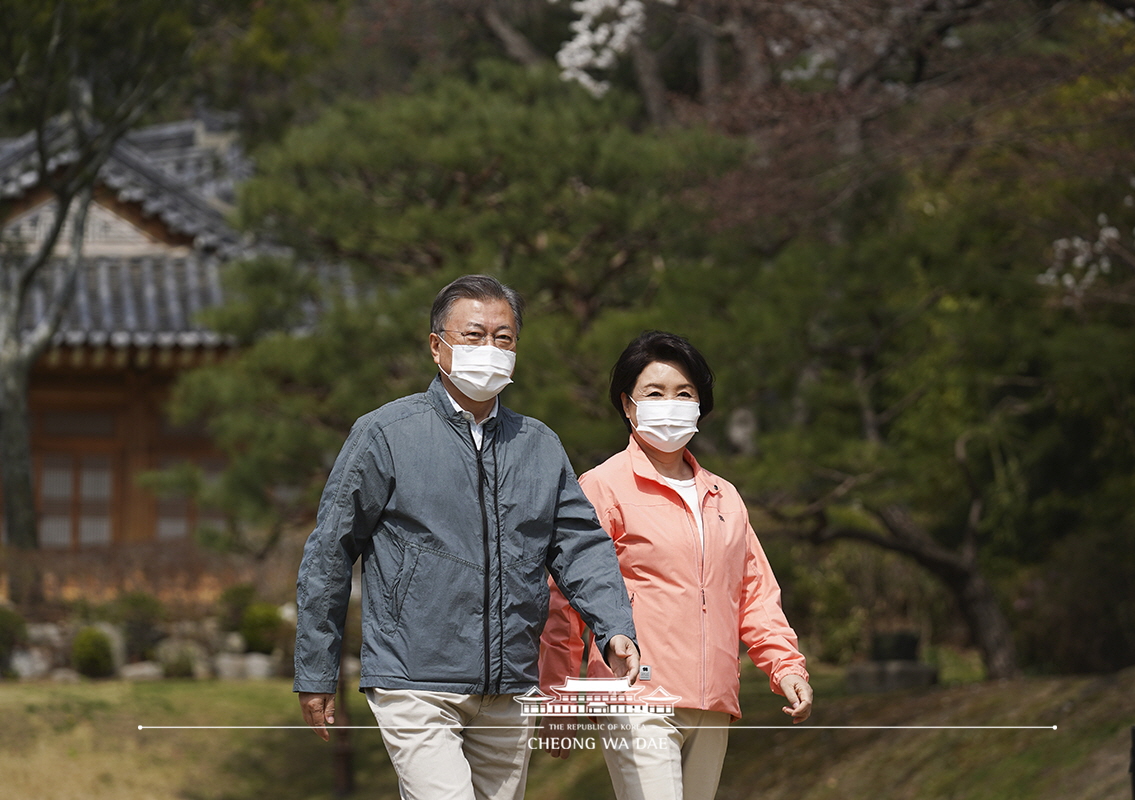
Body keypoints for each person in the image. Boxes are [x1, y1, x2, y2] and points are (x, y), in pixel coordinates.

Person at [293, 274, 640, 800]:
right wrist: (316, 669)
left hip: (510, 685)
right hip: (415, 678)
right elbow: (329, 556)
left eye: (504, 338)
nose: (490, 349)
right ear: (438, 347)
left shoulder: (540, 445)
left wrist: (615, 626)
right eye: (474, 335)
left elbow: (581, 546)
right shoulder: (385, 434)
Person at [539, 330, 812, 800]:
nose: (671, 403)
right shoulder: (602, 487)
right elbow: (564, 601)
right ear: (627, 405)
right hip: (636, 696)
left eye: (684, 393)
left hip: (714, 701)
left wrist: (786, 668)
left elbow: (754, 594)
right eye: (654, 393)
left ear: (701, 405)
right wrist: (559, 698)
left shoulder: (724, 496)